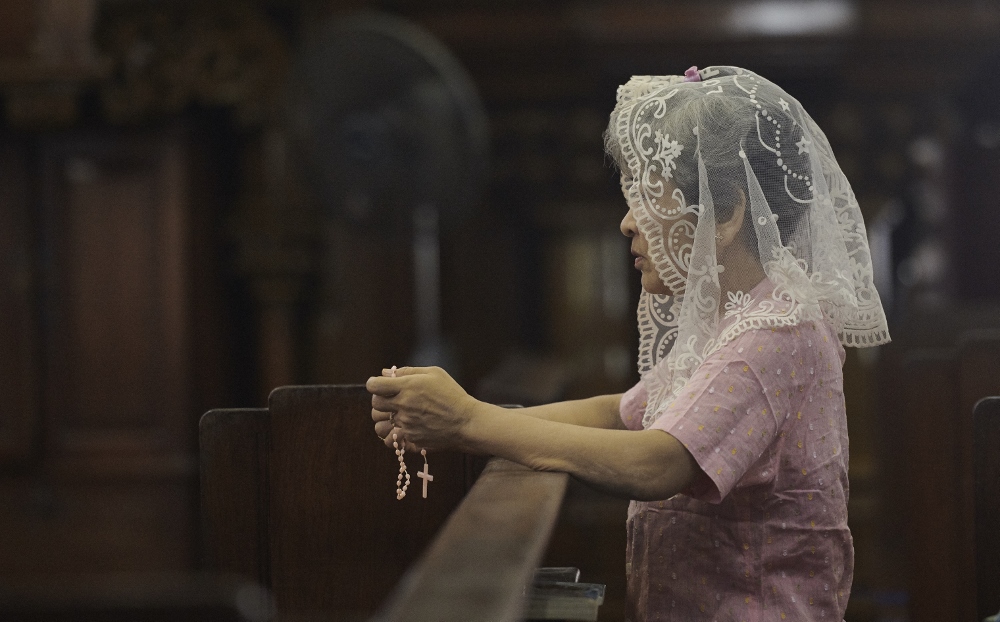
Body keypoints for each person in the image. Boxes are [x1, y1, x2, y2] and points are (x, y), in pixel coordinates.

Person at [367, 66, 889, 622]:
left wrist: (470, 422)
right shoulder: (736, 319)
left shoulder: (778, 333)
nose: (626, 223)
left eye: (647, 197)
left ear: (729, 212)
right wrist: (463, 419)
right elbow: (620, 415)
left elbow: (657, 461)